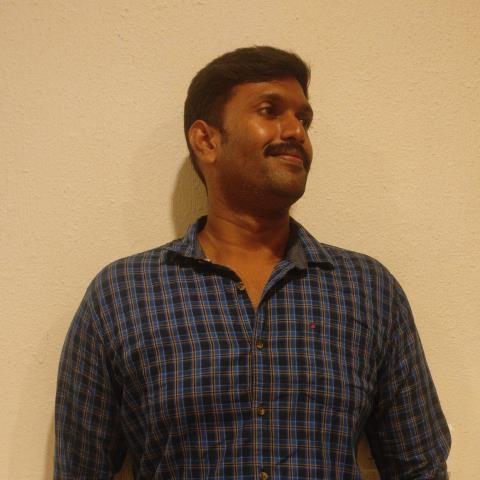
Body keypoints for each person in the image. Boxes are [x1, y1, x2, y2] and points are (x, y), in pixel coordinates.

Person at [55, 46, 451, 479]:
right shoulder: (122, 297)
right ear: (206, 141)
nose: (296, 131)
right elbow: (80, 471)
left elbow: (420, 468)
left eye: (304, 119)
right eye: (269, 111)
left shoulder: (367, 290)